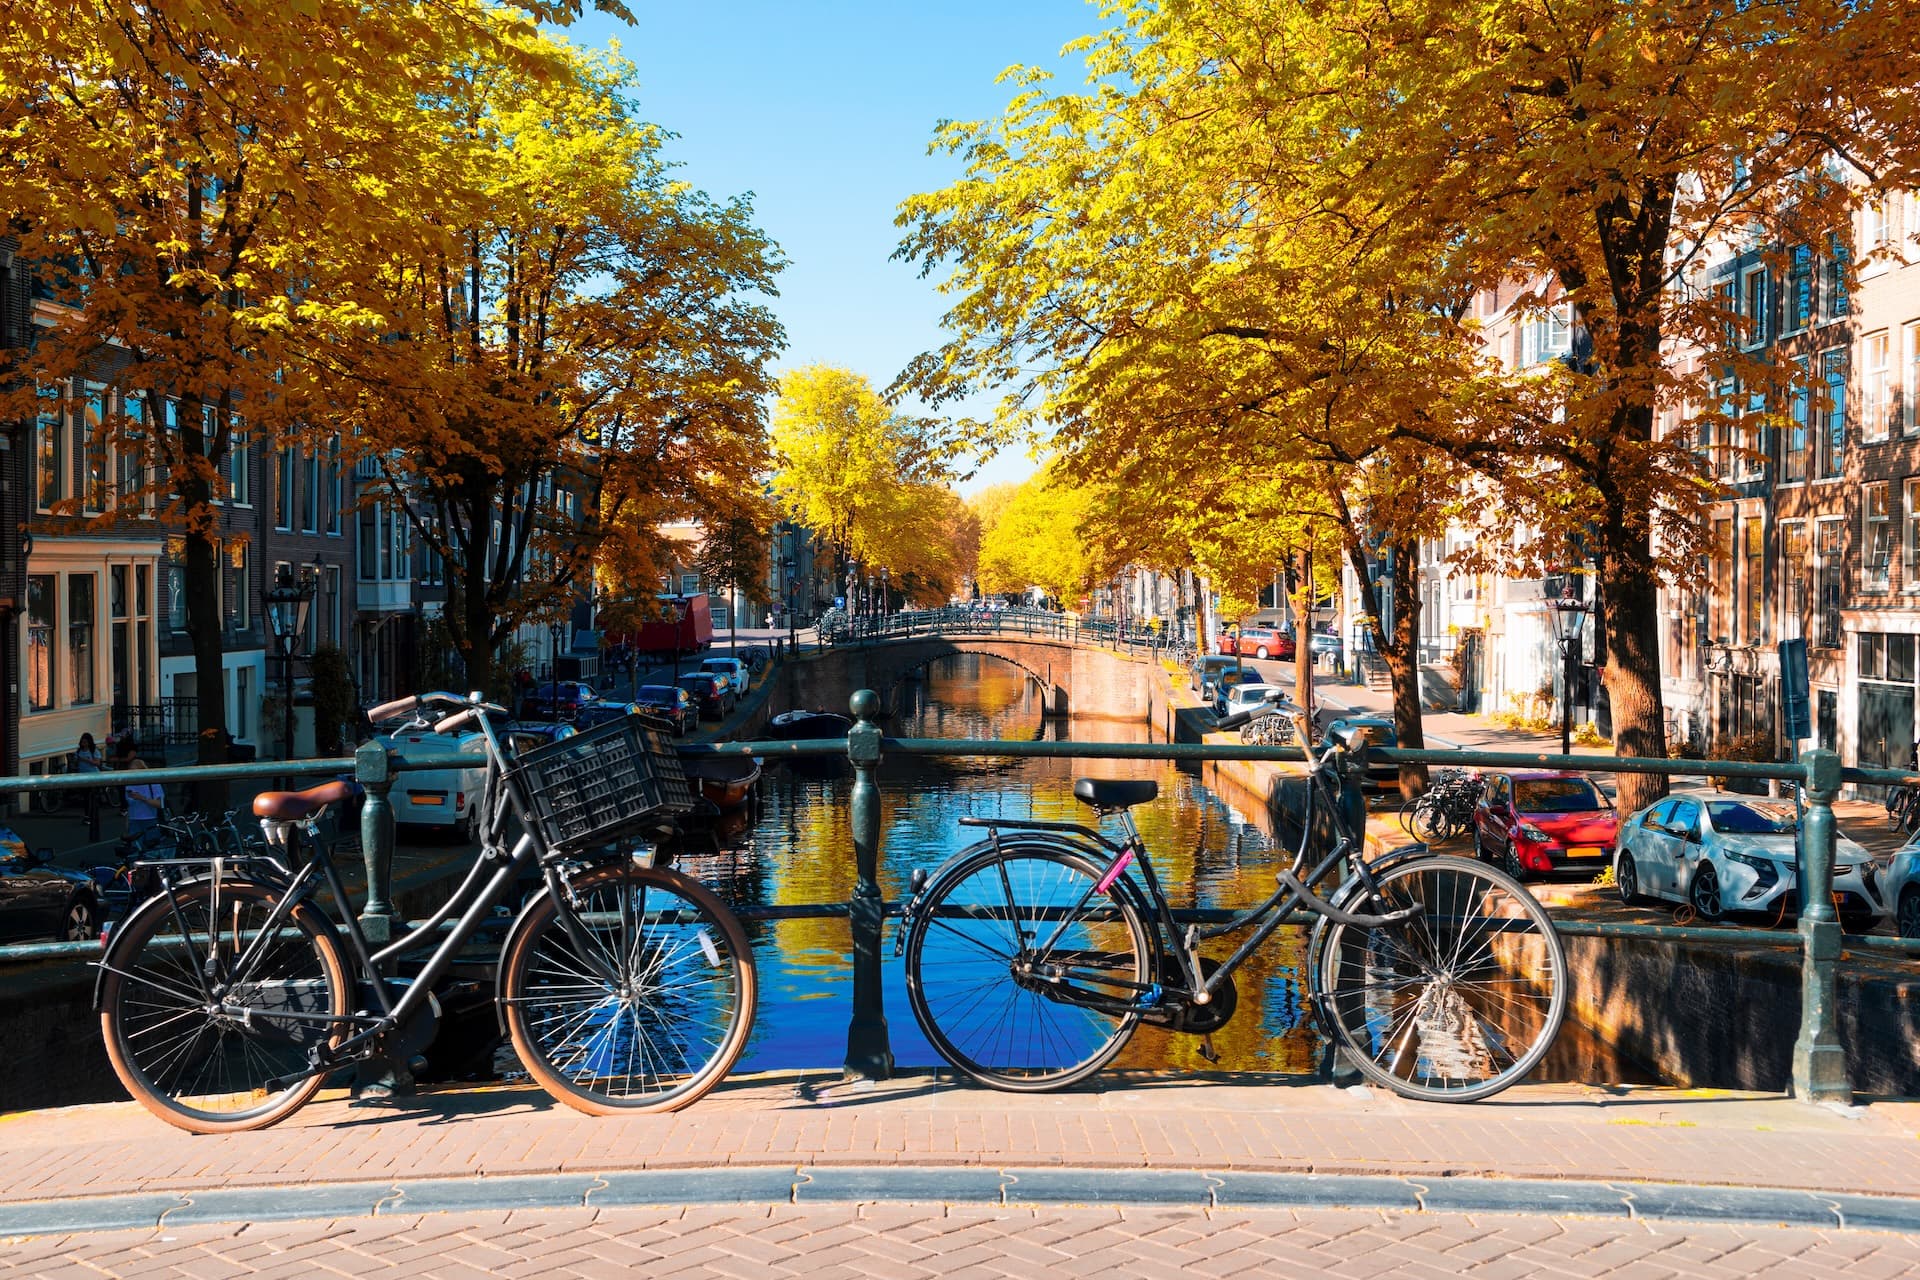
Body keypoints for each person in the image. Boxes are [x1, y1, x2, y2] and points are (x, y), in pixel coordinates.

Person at [123, 757, 165, 836]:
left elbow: (160, 804)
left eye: (134, 772)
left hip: (150, 819)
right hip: (134, 820)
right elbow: (129, 806)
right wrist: (127, 823)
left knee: (152, 844)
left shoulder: (153, 783)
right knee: (135, 846)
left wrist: (142, 798)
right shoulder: (129, 784)